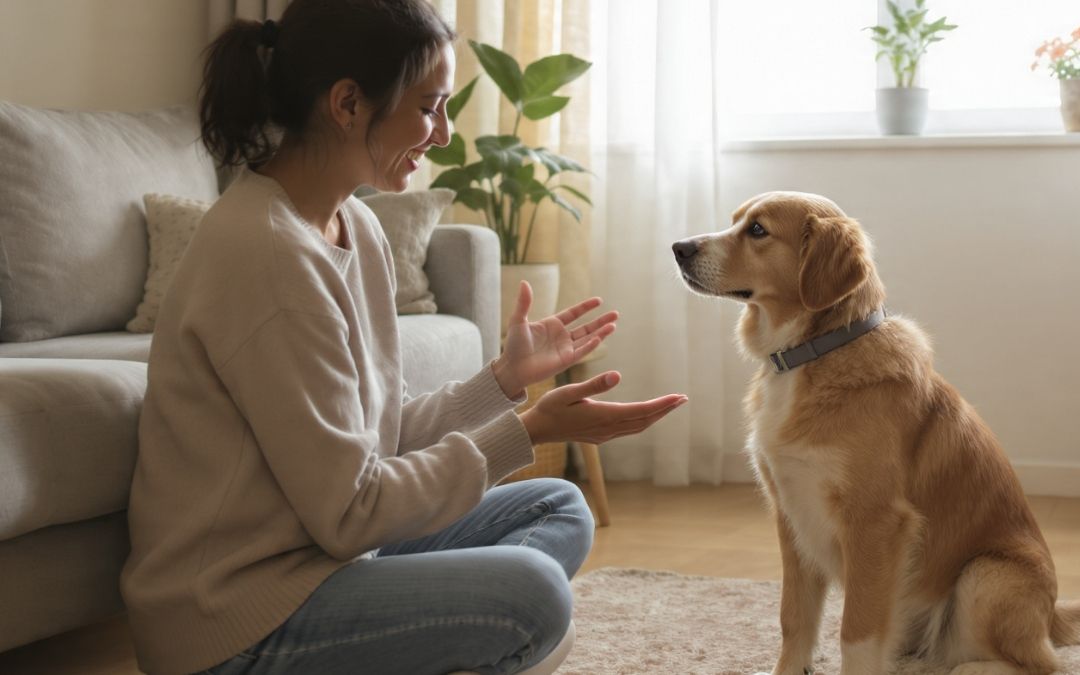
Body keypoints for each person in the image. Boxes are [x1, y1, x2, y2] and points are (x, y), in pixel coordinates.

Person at [118, 1, 687, 673]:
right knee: (532, 596)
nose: (442, 134)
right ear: (348, 104)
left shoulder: (355, 228)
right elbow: (354, 510)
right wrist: (527, 431)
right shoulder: (267, 256)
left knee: (557, 505)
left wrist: (502, 382)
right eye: (428, 107)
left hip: (328, 557)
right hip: (235, 620)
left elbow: (377, 439)